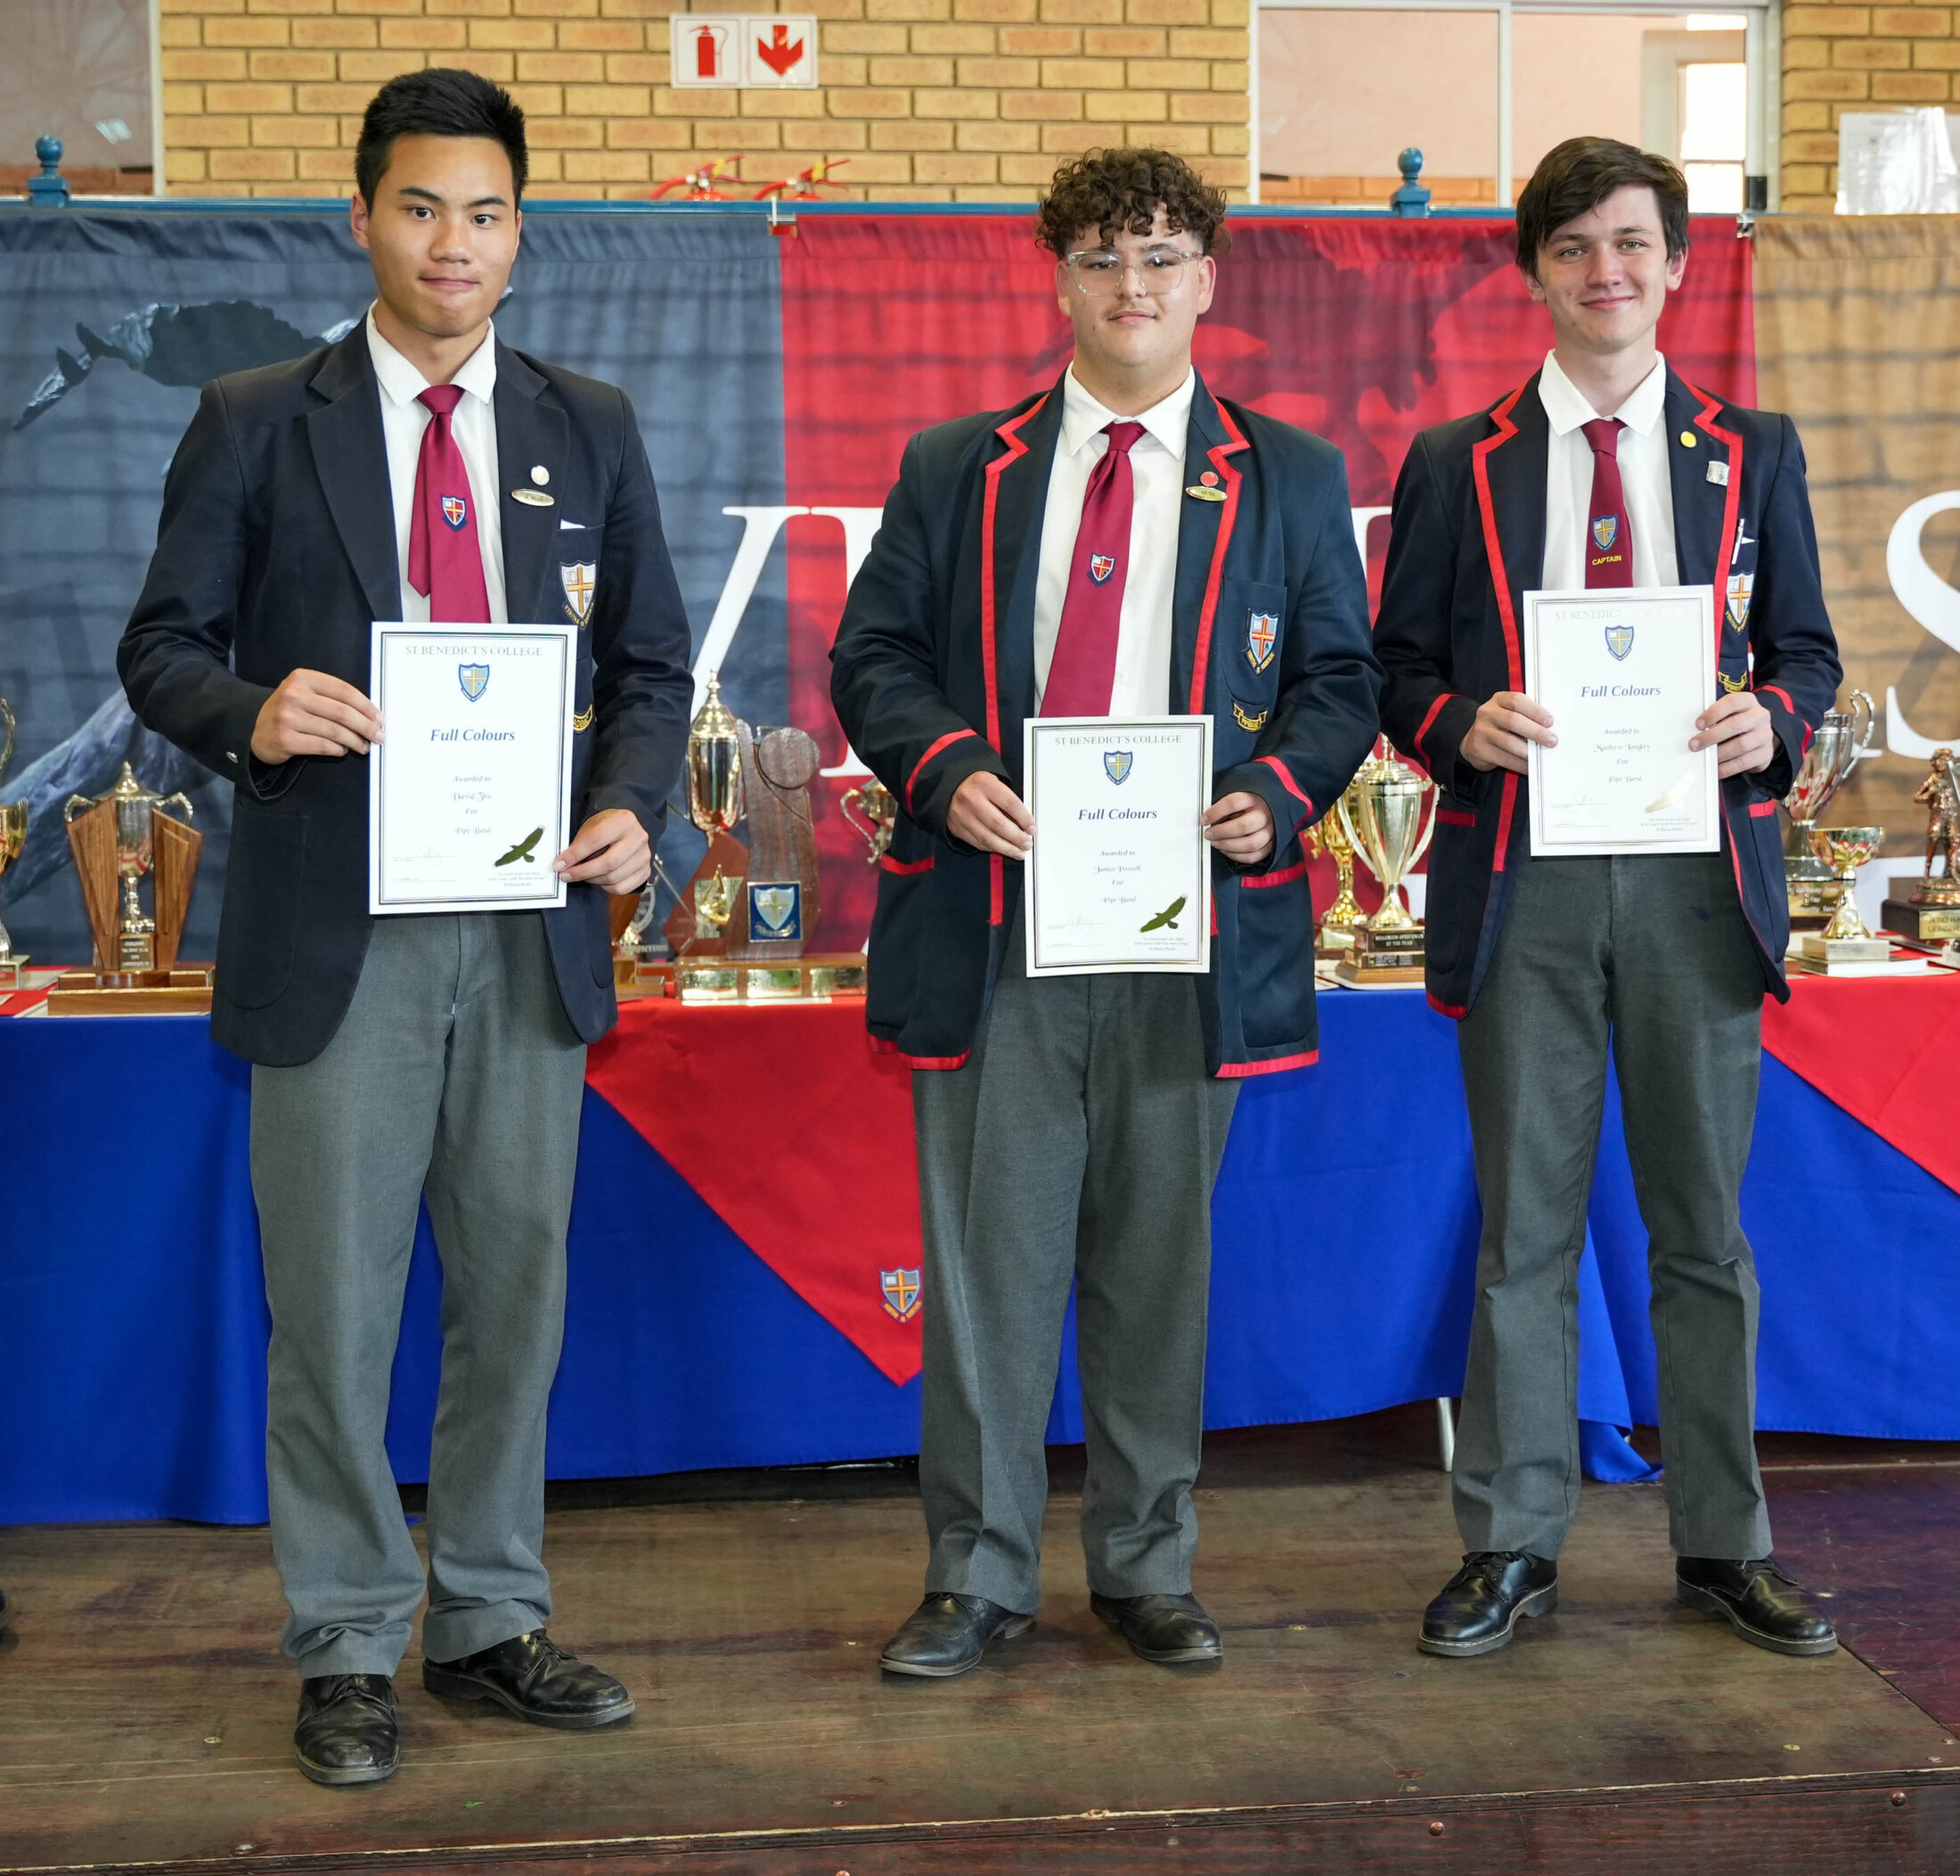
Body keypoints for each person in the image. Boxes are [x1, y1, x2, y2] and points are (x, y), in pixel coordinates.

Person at [118, 69, 692, 1783]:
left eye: (487, 212)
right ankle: (351, 1637)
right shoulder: (252, 417)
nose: (455, 242)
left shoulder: (590, 424)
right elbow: (159, 649)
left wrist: (631, 803)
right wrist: (252, 711)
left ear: (522, 233)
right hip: (336, 937)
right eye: (423, 207)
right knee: (334, 1309)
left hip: (528, 929)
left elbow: (649, 664)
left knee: (515, 1297)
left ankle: (491, 1617)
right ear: (361, 217)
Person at [831, 148, 1380, 1678]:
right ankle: (977, 1573)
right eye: (1098, 257)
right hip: (997, 922)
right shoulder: (960, 464)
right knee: (987, 1272)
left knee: (1157, 1265)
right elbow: (873, 656)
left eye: (1158, 257)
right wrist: (946, 768)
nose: (1130, 285)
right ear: (1058, 279)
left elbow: (1343, 678)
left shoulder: (1291, 473)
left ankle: (1146, 1563)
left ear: (1207, 278)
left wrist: (1279, 789)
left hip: (1189, 929)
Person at [1374, 138, 1843, 1660]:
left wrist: (1775, 717)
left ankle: (1725, 1542)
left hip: (1700, 886)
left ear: (1679, 262)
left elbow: (1810, 652)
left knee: (1703, 1232)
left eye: (1632, 242)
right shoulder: (1459, 460)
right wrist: (1463, 724)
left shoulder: (1752, 449)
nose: (1606, 271)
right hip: (1527, 885)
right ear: (1533, 271)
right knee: (1526, 1230)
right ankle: (1512, 1540)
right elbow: (1395, 670)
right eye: (1573, 246)